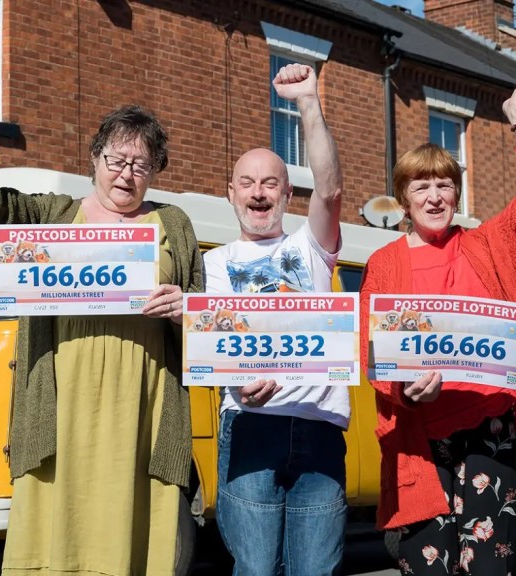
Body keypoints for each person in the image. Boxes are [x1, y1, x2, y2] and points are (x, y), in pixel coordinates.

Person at [0, 56, 203, 576]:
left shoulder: (173, 225)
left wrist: (187, 310)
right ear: (94, 158)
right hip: (61, 407)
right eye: (117, 159)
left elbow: (210, 323)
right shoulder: (53, 215)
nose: (127, 174)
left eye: (141, 164)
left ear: (155, 171)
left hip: (144, 410)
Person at [359, 78, 516, 576]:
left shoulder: (492, 246)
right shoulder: (384, 263)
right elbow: (372, 353)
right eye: (421, 186)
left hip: (490, 434)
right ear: (403, 199)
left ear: (457, 191)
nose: (434, 196)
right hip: (420, 445)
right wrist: (406, 390)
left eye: (444, 184)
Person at [203, 62, 345, 576]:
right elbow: (212, 345)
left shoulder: (310, 247)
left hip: (319, 428)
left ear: (288, 195)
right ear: (231, 193)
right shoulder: (212, 265)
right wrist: (237, 382)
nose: (258, 193)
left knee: (315, 571)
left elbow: (328, 191)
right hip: (248, 427)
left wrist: (307, 101)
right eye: (247, 183)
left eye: (270, 183)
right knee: (255, 569)